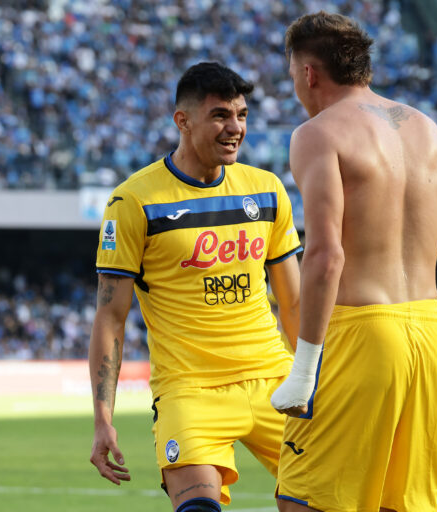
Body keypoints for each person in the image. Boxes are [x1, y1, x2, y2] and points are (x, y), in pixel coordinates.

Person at [269, 12, 437, 512]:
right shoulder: (435, 136)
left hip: (359, 332)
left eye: (292, 71)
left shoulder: (317, 134)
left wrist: (304, 368)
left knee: (305, 500)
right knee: (398, 503)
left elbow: (325, 254)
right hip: (427, 335)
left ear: (309, 73)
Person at [88, 62, 303, 512]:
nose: (235, 128)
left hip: (274, 380)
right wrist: (103, 419)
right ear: (182, 121)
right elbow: (111, 316)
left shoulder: (266, 190)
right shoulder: (134, 202)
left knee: (321, 503)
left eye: (242, 115)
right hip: (190, 390)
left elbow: (294, 301)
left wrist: (312, 378)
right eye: (221, 115)